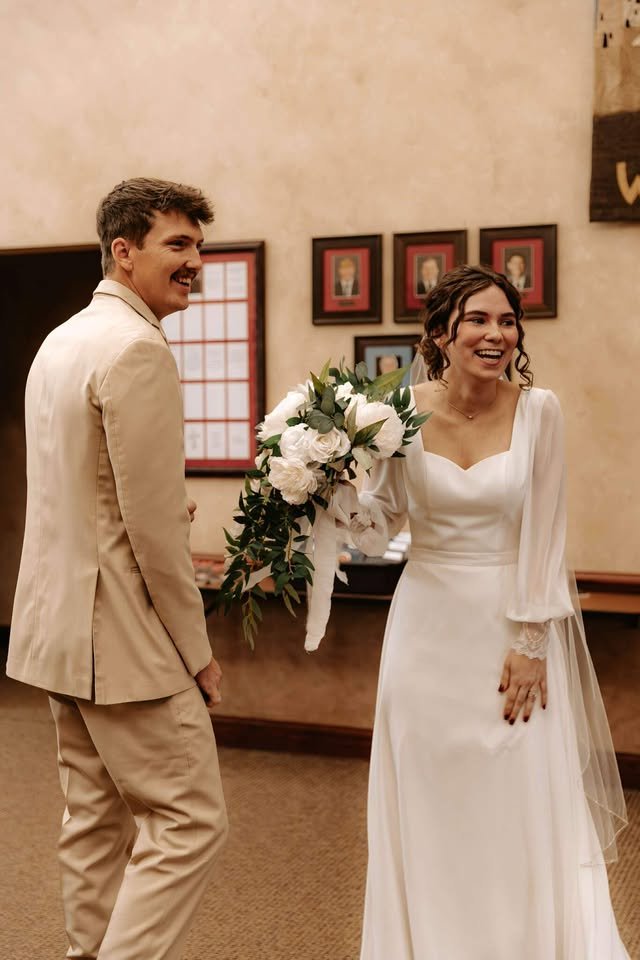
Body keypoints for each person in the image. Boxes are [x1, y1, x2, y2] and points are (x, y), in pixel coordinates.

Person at [339, 265, 629, 958]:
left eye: (506, 321)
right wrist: (332, 486)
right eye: (477, 320)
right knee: (430, 794)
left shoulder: (539, 411)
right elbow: (379, 525)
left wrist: (531, 642)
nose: (495, 334)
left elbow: (546, 533)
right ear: (442, 334)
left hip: (508, 629)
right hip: (425, 628)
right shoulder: (398, 414)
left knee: (512, 793)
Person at [7, 177, 228, 960]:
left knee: (95, 820)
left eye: (198, 245)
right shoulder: (137, 349)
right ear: (124, 251)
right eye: (179, 244)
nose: (195, 261)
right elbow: (155, 537)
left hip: (55, 633)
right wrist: (197, 653)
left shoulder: (62, 340)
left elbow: (85, 491)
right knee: (191, 821)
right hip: (123, 641)